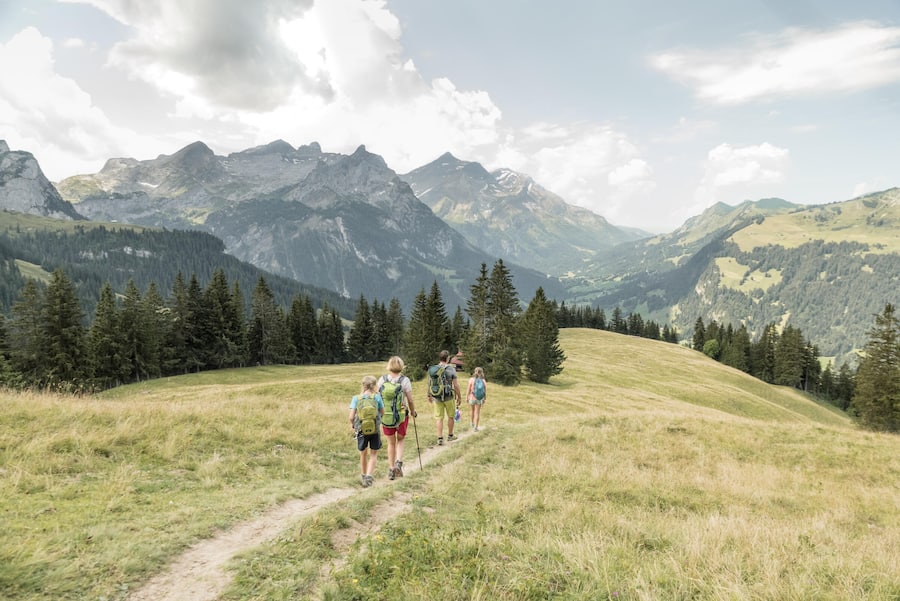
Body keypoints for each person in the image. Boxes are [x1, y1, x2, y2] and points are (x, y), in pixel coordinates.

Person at [377, 356, 416, 480]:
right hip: (401, 415)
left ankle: (391, 469)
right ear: (401, 366)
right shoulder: (405, 380)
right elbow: (410, 400)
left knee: (391, 442)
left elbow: (378, 398)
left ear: (389, 366)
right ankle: (399, 462)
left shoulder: (382, 380)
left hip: (386, 416)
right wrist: (413, 412)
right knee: (400, 439)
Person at [348, 375, 384, 487]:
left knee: (363, 453)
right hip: (375, 429)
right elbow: (382, 412)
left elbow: (351, 416)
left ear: (363, 385)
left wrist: (353, 425)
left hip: (361, 430)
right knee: (373, 454)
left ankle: (363, 475)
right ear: (374, 386)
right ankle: (369, 475)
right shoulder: (377, 397)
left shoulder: (356, 398)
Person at [427, 349, 461, 445]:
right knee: (451, 416)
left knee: (439, 418)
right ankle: (450, 435)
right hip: (449, 396)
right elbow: (456, 385)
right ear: (448, 358)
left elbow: (429, 383)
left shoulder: (433, 369)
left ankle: (440, 438)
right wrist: (459, 396)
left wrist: (429, 395)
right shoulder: (451, 369)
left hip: (437, 396)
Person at [466, 366, 487, 431]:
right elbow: (484, 391)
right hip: (479, 398)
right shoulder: (483, 381)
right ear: (481, 372)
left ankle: (472, 423)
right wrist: (484, 398)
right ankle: (476, 427)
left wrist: (467, 397)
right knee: (477, 412)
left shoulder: (471, 380)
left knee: (472, 410)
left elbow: (468, 389)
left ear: (475, 372)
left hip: (472, 397)